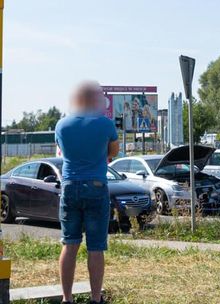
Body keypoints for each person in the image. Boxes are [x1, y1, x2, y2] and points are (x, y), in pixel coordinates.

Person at [55, 81, 119, 304]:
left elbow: (62, 151)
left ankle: (67, 298)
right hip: (97, 186)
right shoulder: (105, 124)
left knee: (69, 243)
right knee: (96, 247)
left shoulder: (61, 125)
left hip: (70, 185)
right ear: (93, 100)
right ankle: (95, 298)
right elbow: (113, 153)